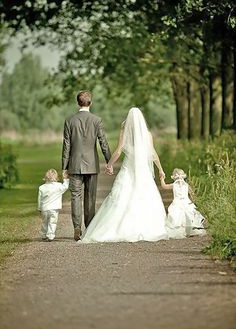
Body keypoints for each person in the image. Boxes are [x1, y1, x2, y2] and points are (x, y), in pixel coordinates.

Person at [80, 107, 168, 243]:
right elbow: (153, 154)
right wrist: (160, 169)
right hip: (143, 171)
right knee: (144, 196)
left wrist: (109, 164)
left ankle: (117, 228)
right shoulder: (148, 134)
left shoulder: (125, 132)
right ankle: (147, 226)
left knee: (122, 196)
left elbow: (119, 151)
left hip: (128, 169)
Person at [62, 91, 111, 241]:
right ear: (91, 102)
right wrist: (109, 161)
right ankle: (89, 228)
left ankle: (77, 228)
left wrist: (64, 167)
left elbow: (66, 145)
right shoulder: (97, 120)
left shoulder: (70, 120)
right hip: (91, 165)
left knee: (75, 196)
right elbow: (103, 142)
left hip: (74, 164)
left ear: (78, 103)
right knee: (90, 197)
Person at [160, 168, 206, 238]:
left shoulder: (173, 185)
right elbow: (192, 194)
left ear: (173, 177)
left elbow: (164, 186)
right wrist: (194, 200)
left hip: (177, 202)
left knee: (178, 216)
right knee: (189, 215)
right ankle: (190, 230)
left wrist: (161, 179)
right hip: (186, 202)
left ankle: (180, 231)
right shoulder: (186, 185)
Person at [37, 169, 69, 241]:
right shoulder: (59, 186)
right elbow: (66, 187)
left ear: (46, 177)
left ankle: (44, 234)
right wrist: (65, 179)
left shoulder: (42, 187)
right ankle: (50, 235)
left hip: (44, 208)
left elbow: (39, 199)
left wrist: (39, 208)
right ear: (56, 177)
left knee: (44, 222)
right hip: (54, 208)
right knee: (53, 222)